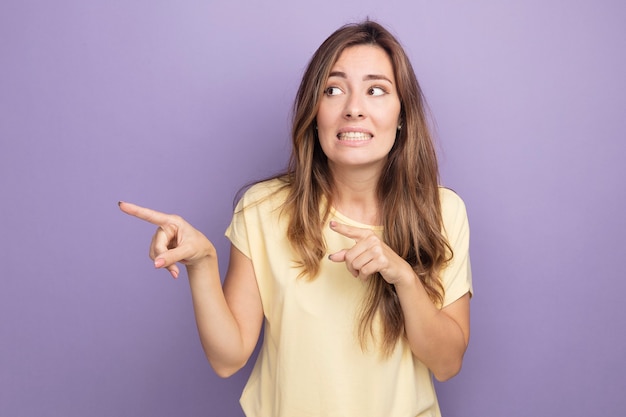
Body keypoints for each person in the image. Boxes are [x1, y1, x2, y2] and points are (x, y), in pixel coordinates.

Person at [120, 20, 472, 417]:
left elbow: (447, 363)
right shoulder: (262, 209)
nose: (354, 108)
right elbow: (227, 358)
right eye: (333, 90)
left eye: (376, 90)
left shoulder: (442, 212)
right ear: (315, 112)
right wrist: (202, 264)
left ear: (403, 114)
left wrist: (404, 278)